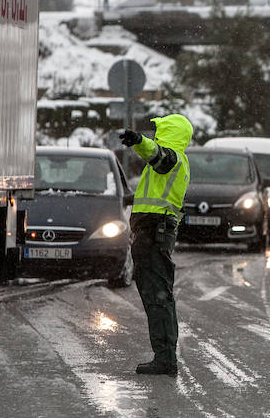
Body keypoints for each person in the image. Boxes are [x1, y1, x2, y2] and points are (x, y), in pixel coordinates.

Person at [119, 114, 193, 377]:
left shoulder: (172, 158)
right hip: (152, 230)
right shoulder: (172, 160)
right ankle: (165, 356)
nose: (156, 135)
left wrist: (140, 141)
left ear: (169, 133)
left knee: (158, 295)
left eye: (159, 131)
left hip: (155, 231)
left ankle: (165, 359)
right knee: (157, 294)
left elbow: (157, 154)